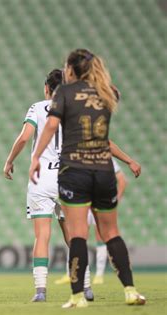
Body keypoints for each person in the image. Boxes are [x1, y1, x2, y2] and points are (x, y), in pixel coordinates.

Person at [29, 48, 145, 308]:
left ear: (70, 70)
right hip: (103, 170)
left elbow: (50, 126)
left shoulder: (65, 94)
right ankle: (130, 290)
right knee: (112, 232)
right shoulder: (105, 92)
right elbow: (115, 94)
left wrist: (36, 157)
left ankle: (77, 296)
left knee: (77, 234)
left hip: (75, 170)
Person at [3, 69, 93, 302]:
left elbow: (24, 137)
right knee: (74, 235)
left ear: (46, 88)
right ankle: (86, 285)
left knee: (42, 236)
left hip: (41, 179)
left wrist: (10, 161)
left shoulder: (37, 108)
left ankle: (41, 291)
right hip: (69, 177)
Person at [55, 158, 127, 285]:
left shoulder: (104, 156)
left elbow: (122, 180)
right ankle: (70, 273)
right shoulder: (77, 155)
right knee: (76, 237)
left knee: (100, 236)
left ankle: (99, 274)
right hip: (82, 203)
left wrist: (116, 200)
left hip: (96, 202)